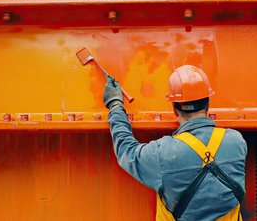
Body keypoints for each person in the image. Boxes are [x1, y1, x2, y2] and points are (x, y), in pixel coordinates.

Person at [103, 65, 247, 220]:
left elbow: (127, 151)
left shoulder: (162, 153)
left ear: (174, 109)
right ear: (208, 104)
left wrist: (115, 105)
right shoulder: (236, 141)